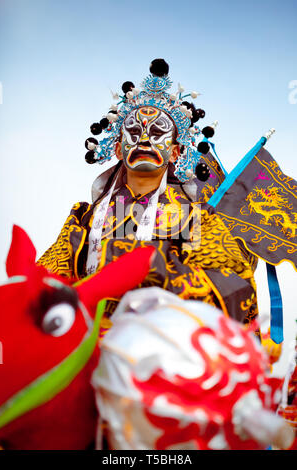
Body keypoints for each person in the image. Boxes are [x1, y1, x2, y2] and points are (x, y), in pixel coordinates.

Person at [38, 59, 258, 335]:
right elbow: (41, 285)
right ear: (118, 149)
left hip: (163, 349)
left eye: (157, 134)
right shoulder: (85, 218)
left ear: (176, 153)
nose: (144, 141)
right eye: (133, 132)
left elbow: (236, 288)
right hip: (83, 344)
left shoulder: (195, 220)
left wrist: (156, 270)